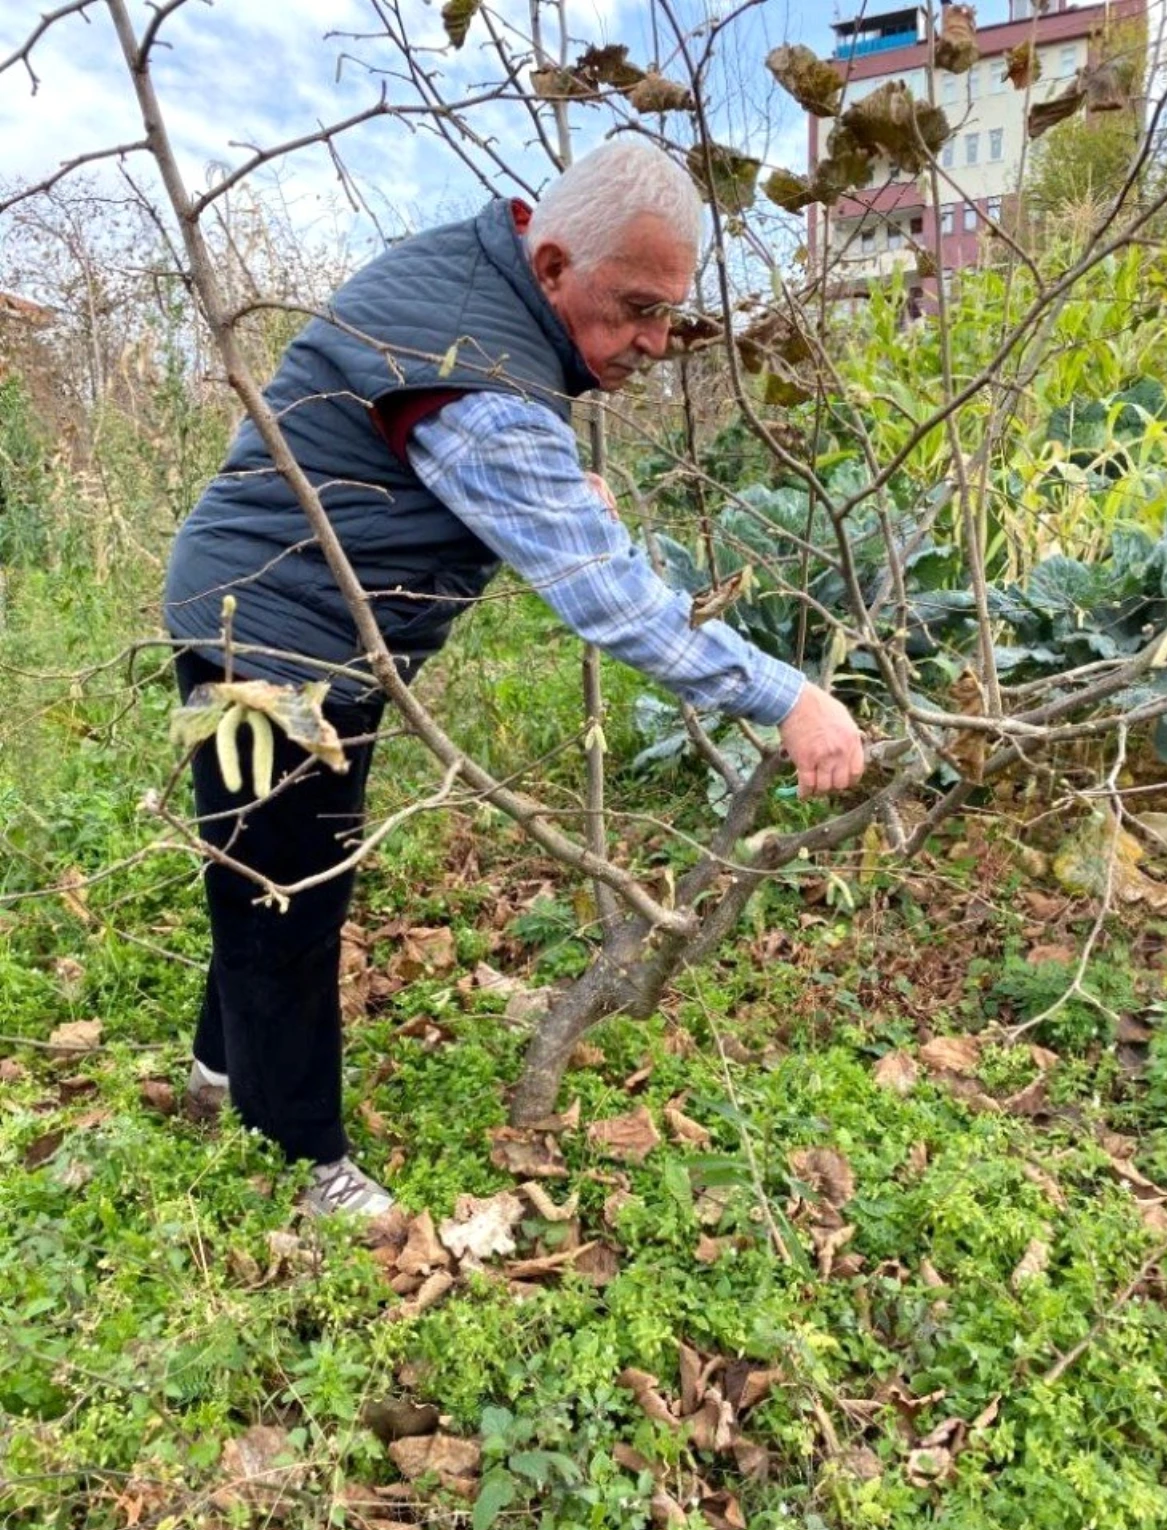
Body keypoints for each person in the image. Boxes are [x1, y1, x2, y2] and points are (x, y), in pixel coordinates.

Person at [165, 141, 864, 1218]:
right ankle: (300, 1162)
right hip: (269, 638)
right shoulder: (480, 368)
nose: (653, 342)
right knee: (289, 896)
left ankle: (218, 1075)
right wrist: (791, 697)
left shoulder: (479, 296)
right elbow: (612, 602)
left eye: (669, 313)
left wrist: (543, 483)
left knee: (275, 871)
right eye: (635, 308)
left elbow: (419, 456)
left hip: (281, 612)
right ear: (550, 265)